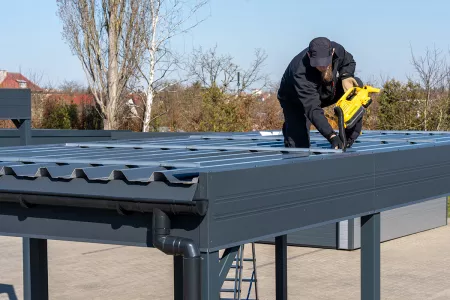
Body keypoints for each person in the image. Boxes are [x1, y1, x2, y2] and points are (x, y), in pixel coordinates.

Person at [277, 37, 363, 149]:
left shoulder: (337, 50)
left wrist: (346, 75)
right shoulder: (299, 72)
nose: (322, 66)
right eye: (317, 63)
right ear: (309, 55)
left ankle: (348, 138)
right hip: (295, 100)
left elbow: (349, 61)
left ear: (332, 52)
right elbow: (313, 108)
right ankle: (291, 127)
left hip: (323, 89)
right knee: (299, 147)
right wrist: (331, 136)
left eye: (325, 62)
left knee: (356, 87)